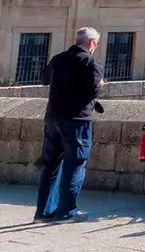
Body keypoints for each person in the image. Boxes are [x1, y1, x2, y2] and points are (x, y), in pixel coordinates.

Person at [36, 27, 103, 223]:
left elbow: (44, 80)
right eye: (96, 44)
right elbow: (93, 90)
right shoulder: (91, 61)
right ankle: (66, 213)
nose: (95, 47)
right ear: (91, 43)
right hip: (77, 121)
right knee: (75, 165)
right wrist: (99, 85)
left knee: (50, 166)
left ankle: (43, 212)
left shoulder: (58, 58)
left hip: (53, 117)